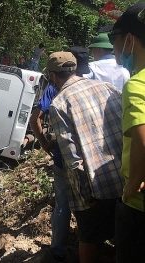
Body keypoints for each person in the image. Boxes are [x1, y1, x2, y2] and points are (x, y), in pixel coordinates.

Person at [46, 51, 124, 263]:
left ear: (53, 76)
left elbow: (72, 158)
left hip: (95, 187)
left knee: (88, 239)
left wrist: (84, 196)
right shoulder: (107, 87)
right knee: (124, 238)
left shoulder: (60, 104)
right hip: (125, 180)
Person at [29, 47, 90, 262]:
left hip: (64, 159)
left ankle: (58, 250)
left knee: (63, 204)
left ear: (53, 75)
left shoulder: (54, 91)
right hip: (91, 158)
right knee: (90, 207)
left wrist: (45, 143)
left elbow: (35, 117)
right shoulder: (91, 86)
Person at [104, 3, 145, 262]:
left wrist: (133, 182)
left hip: (138, 205)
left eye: (114, 38)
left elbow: (142, 136)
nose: (113, 47)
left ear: (129, 39)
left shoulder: (137, 83)